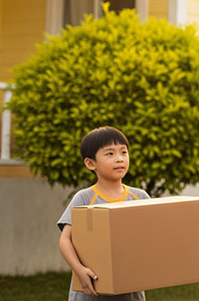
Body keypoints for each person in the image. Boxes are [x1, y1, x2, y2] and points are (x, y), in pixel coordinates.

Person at [57, 126, 150, 300]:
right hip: (91, 291)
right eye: (110, 154)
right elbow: (65, 240)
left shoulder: (140, 197)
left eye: (124, 152)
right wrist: (79, 270)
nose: (119, 158)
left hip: (130, 293)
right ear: (90, 163)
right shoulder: (84, 198)